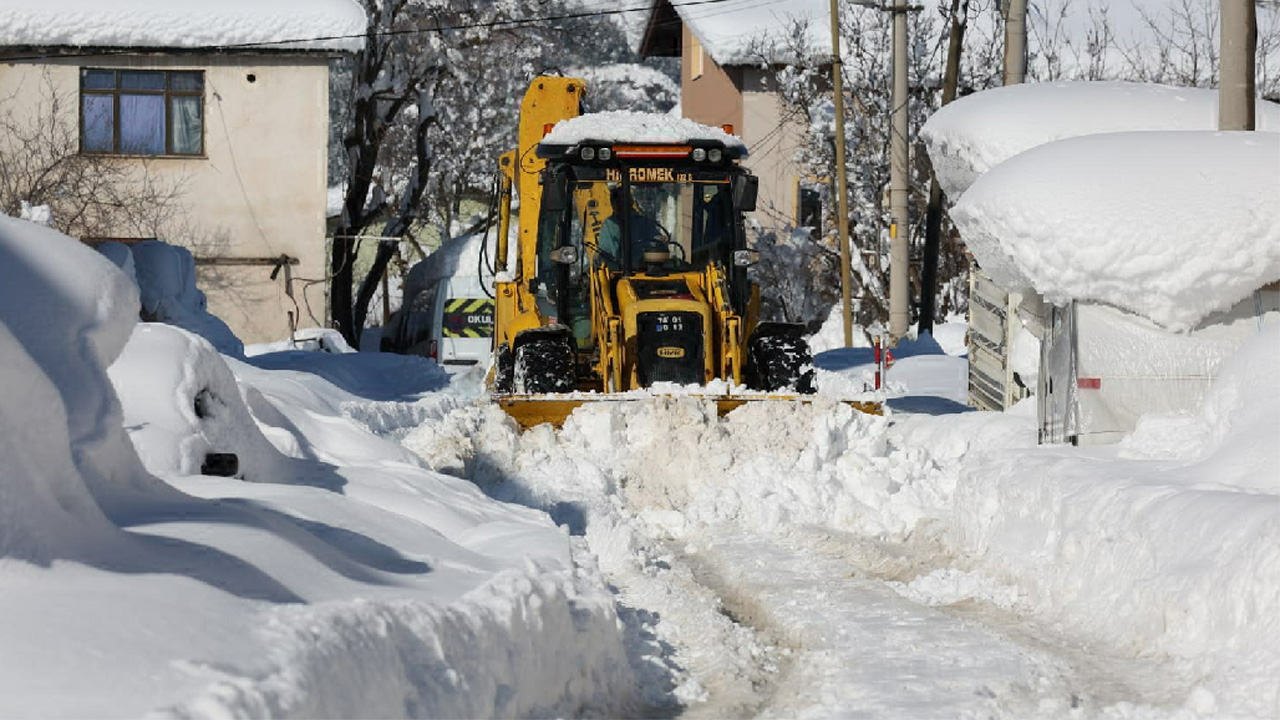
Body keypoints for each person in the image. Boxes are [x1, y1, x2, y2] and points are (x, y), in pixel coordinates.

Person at [597, 189, 664, 269]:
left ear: (631, 202)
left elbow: (655, 238)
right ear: (613, 204)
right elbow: (605, 252)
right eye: (618, 202)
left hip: (643, 269)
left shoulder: (643, 222)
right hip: (617, 271)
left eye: (624, 201)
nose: (621, 205)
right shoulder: (608, 225)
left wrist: (660, 239)